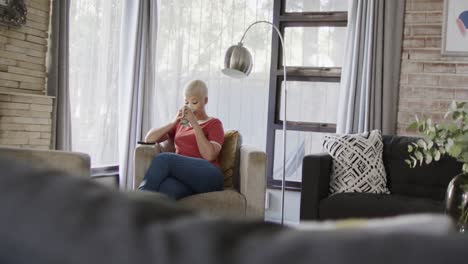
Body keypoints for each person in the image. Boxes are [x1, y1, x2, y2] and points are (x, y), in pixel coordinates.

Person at [138, 80, 225, 200]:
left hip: (210, 176)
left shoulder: (214, 123)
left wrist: (194, 123)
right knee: (165, 190)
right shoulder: (181, 124)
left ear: (205, 101)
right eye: (186, 102)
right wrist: (173, 122)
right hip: (186, 178)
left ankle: (137, 203)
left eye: (194, 102)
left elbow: (209, 155)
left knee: (164, 159)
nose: (190, 106)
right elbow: (149, 139)